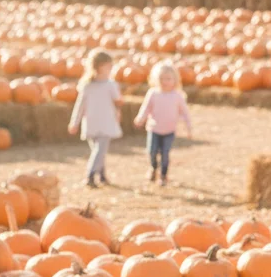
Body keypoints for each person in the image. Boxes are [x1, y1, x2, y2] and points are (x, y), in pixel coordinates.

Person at [68, 49, 123, 188]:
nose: (111, 69)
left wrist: (118, 110)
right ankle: (94, 175)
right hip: (92, 123)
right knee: (98, 152)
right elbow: (79, 106)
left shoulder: (111, 85)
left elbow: (117, 102)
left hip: (106, 122)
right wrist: (74, 122)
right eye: (108, 66)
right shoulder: (87, 86)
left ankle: (95, 175)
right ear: (98, 67)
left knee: (99, 151)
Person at [133, 60, 193, 185]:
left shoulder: (177, 96)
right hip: (154, 129)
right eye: (161, 78)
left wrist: (188, 128)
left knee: (165, 154)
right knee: (152, 152)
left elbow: (185, 113)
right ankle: (153, 168)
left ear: (175, 80)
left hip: (169, 131)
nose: (164, 81)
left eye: (168, 78)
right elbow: (146, 108)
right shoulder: (153, 93)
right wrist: (140, 118)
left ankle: (163, 176)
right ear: (155, 79)